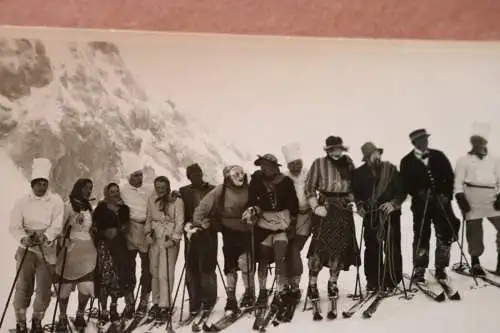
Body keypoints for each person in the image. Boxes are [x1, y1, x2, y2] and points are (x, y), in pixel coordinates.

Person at [9, 158, 65, 333]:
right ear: (32, 184)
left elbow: (57, 223)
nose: (41, 187)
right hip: (26, 248)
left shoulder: (55, 201)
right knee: (23, 285)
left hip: (46, 249)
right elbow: (14, 226)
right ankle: (20, 322)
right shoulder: (22, 203)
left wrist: (46, 236)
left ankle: (37, 321)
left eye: (44, 183)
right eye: (38, 183)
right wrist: (24, 238)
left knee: (44, 287)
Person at [304, 136, 360, 302]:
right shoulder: (318, 163)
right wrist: (315, 206)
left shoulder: (348, 164)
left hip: (343, 211)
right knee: (318, 249)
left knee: (339, 248)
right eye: (332, 149)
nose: (336, 152)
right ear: (327, 150)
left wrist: (352, 199)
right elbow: (309, 188)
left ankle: (332, 282)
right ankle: (312, 284)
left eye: (338, 148)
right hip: (325, 210)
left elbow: (355, 187)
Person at [192, 165, 255, 314]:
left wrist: (254, 213)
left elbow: (258, 204)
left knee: (246, 262)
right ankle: (231, 297)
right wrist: (199, 222)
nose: (239, 177)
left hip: (247, 230)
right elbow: (203, 207)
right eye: (235, 175)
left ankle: (249, 293)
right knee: (230, 265)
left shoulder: (250, 188)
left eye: (241, 174)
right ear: (228, 177)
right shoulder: (220, 190)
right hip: (229, 231)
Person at [399, 128, 460, 282]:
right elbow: (405, 184)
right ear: (414, 143)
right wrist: (418, 192)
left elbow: (450, 177)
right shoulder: (406, 161)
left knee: (445, 234)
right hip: (421, 205)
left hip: (441, 203)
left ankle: (441, 267)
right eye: (421, 140)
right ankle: (419, 270)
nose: (425, 142)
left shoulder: (439, 156)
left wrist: (446, 195)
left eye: (426, 139)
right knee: (421, 235)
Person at [245, 154, 299, 310]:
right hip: (263, 226)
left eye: (267, 165)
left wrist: (292, 223)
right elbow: (251, 200)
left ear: (275, 167)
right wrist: (253, 209)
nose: (264, 168)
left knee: (280, 258)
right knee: (262, 258)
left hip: (282, 224)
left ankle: (280, 291)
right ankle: (262, 291)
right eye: (262, 166)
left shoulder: (285, 182)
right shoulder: (256, 180)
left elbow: (293, 203)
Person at [352, 142, 406, 292]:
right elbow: (357, 194)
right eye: (373, 154)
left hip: (390, 214)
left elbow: (402, 191)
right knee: (372, 248)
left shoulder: (391, 169)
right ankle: (373, 281)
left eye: (378, 153)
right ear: (367, 157)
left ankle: (392, 279)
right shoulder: (359, 173)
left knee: (392, 246)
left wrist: (393, 204)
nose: (377, 156)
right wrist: (360, 206)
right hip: (371, 215)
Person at [454, 122, 500, 275]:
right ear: (471, 143)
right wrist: (460, 198)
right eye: (475, 142)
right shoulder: (463, 160)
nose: (478, 145)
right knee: (474, 232)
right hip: (472, 198)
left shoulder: (495, 160)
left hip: (492, 199)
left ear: (485, 143)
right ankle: (475, 262)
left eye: (480, 141)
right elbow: (458, 183)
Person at [54, 178, 97, 332]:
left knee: (85, 285)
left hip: (87, 251)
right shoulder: (68, 206)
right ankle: (62, 316)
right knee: (64, 286)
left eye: (90, 188)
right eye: (86, 188)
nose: (89, 191)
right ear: (78, 188)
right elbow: (60, 228)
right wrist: (63, 239)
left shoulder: (88, 207)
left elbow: (90, 227)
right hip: (71, 249)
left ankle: (80, 313)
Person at [92, 183, 135, 323]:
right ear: (107, 193)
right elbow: (94, 227)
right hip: (105, 247)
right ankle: (104, 310)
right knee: (105, 278)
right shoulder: (100, 208)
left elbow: (126, 226)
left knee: (117, 277)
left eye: (117, 191)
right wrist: (105, 233)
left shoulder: (124, 209)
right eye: (112, 192)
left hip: (120, 245)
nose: (115, 194)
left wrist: (121, 229)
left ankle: (113, 307)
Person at [180, 163, 218, 316]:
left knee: (207, 267)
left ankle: (209, 299)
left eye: (199, 173)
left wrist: (211, 223)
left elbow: (217, 210)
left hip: (208, 233)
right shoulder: (183, 192)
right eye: (194, 175)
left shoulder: (212, 189)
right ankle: (194, 300)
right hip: (191, 234)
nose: (197, 177)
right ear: (189, 177)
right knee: (191, 267)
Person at [144, 176, 184, 322]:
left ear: (167, 187)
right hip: (156, 237)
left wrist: (174, 238)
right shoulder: (151, 199)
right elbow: (149, 218)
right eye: (158, 187)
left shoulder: (176, 201)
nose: (160, 190)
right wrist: (147, 233)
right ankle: (156, 301)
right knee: (154, 270)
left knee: (166, 272)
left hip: (168, 237)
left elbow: (180, 221)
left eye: (163, 187)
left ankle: (165, 305)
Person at [120, 162, 153, 315]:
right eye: (135, 175)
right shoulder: (122, 190)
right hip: (129, 230)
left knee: (147, 268)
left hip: (145, 229)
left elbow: (163, 196)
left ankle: (144, 300)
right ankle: (129, 301)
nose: (139, 178)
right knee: (128, 268)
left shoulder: (149, 189)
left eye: (140, 175)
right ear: (129, 177)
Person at [281, 143, 312, 300]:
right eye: (292, 164)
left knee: (293, 249)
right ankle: (287, 284)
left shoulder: (309, 174)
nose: (296, 166)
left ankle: (295, 284)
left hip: (306, 218)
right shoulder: (284, 177)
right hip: (289, 220)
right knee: (287, 250)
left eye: (298, 162)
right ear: (288, 164)